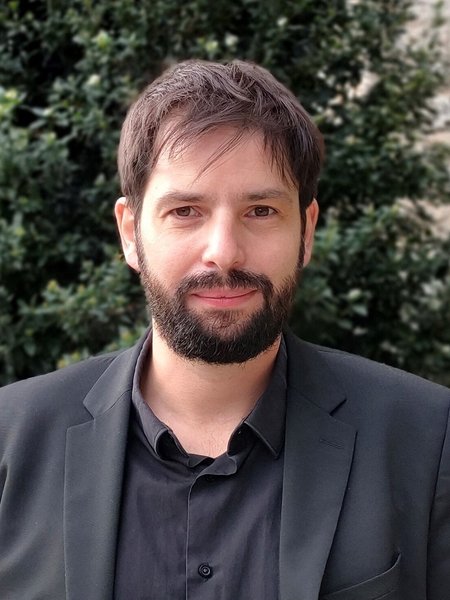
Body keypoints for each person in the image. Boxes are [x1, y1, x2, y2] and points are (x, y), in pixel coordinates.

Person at [0, 59, 449, 600]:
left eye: (260, 211)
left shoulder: (428, 440)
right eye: (186, 211)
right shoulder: (9, 439)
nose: (224, 252)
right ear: (130, 233)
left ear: (305, 232)